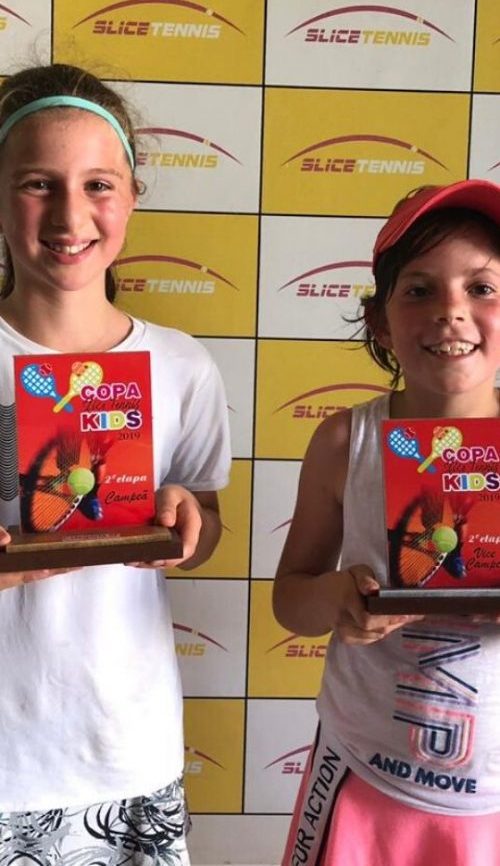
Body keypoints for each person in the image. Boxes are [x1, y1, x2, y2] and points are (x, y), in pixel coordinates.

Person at [0, 63, 230, 865]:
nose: (71, 214)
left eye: (98, 184)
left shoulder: (183, 366)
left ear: (132, 196)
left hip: (127, 751)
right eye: (38, 184)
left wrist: (189, 523)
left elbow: (205, 525)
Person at [273, 179, 500, 866]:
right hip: (361, 774)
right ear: (379, 321)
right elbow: (291, 600)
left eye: (482, 288)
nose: (451, 311)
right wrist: (337, 598)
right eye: (420, 290)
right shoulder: (347, 441)